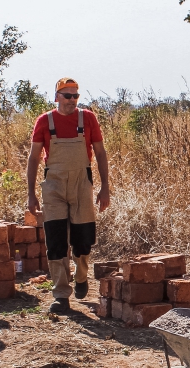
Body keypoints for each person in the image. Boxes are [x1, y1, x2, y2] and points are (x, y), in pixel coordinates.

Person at [26, 77, 111, 313]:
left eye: (75, 96)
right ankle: (61, 294)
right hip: (53, 185)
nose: (72, 100)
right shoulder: (44, 121)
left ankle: (81, 275)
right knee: (55, 241)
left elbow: (101, 153)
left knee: (83, 241)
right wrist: (31, 194)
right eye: (67, 95)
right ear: (56, 97)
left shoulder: (88, 119)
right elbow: (33, 158)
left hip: (82, 184)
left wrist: (105, 187)